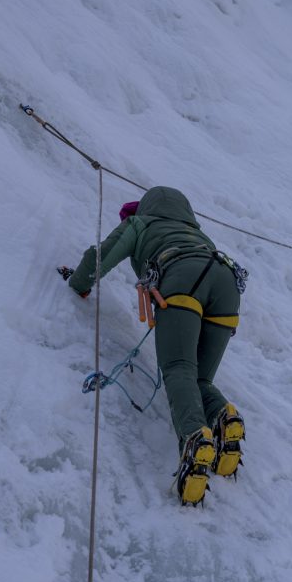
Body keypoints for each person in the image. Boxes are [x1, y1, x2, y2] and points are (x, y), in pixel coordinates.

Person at [62, 185, 247, 506]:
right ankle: (223, 417)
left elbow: (101, 256)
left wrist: (78, 283)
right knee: (200, 379)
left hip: (182, 278)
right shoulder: (197, 234)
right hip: (226, 282)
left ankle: (194, 437)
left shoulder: (140, 223)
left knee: (179, 368)